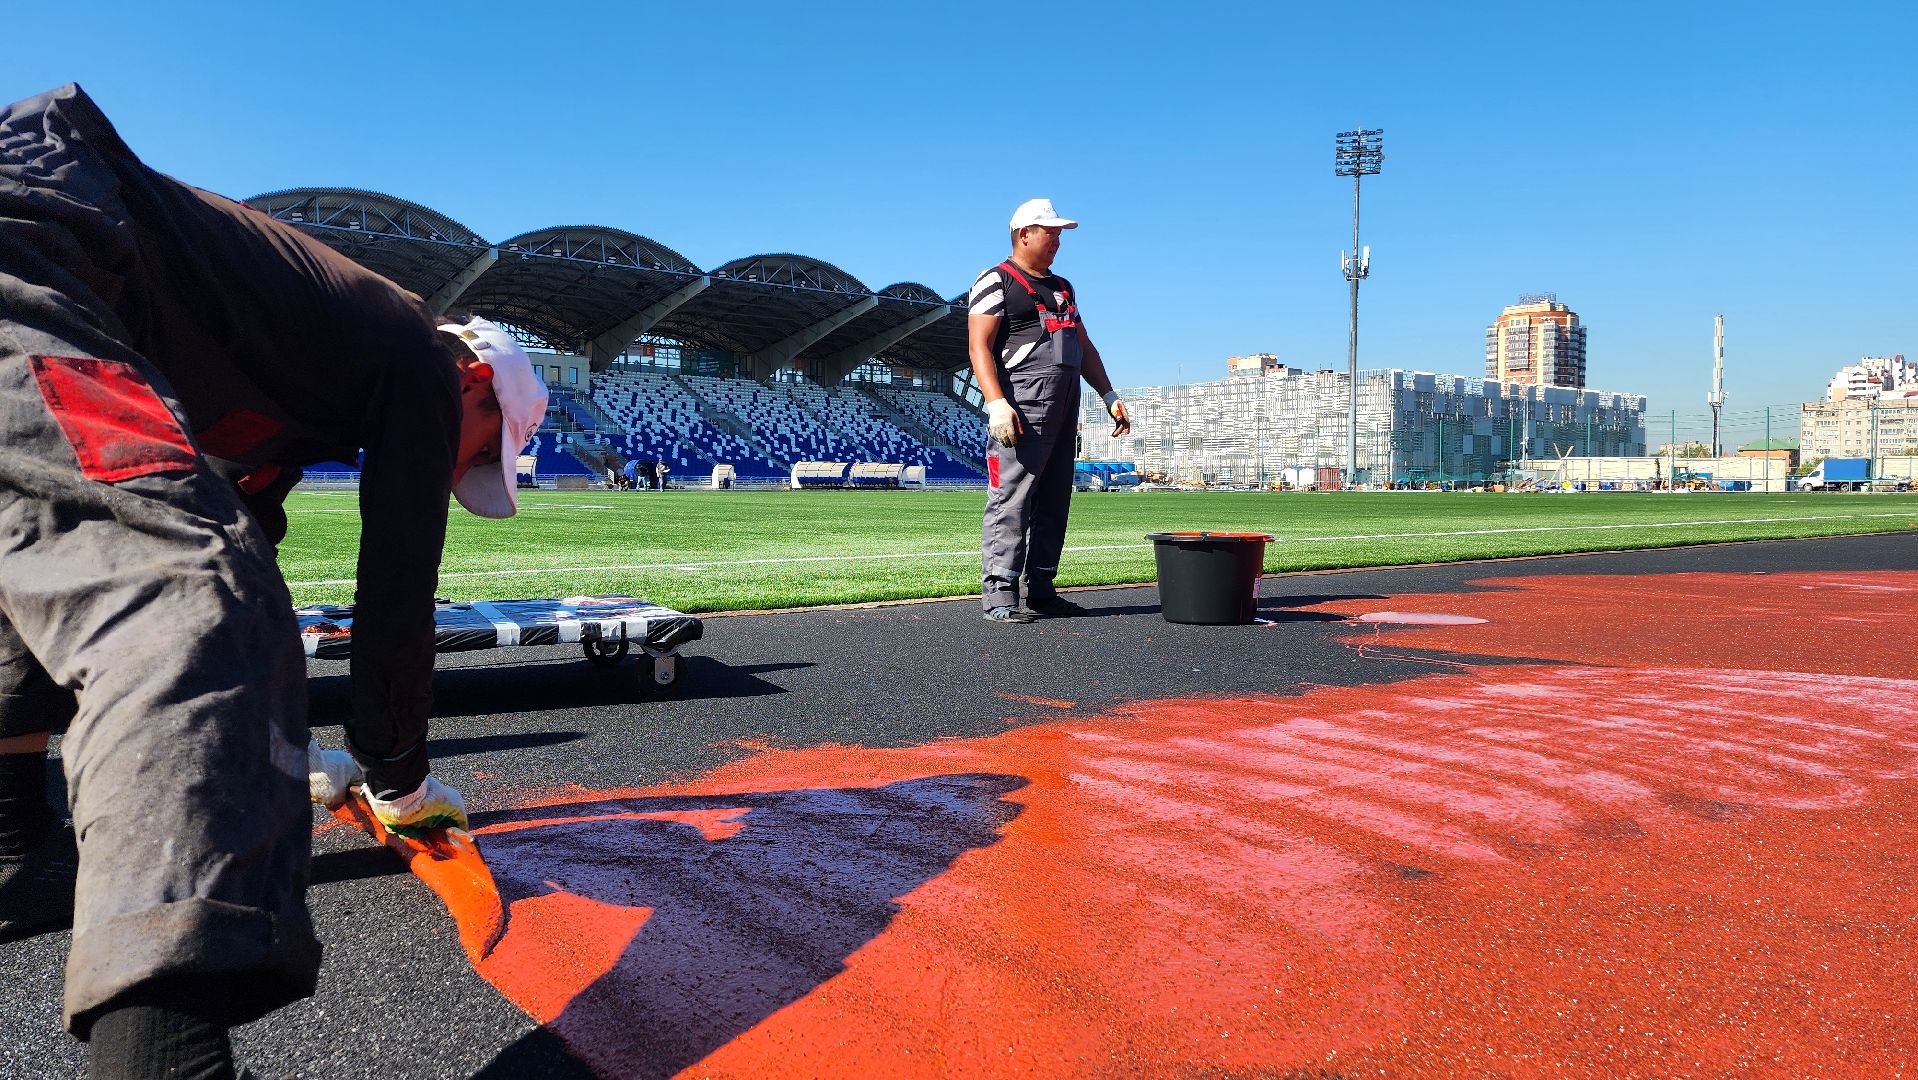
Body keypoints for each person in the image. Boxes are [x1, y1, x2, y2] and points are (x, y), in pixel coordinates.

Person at [0, 84, 546, 1077]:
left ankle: (14, 844)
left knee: (39, 577)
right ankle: (163, 1055)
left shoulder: (296, 350)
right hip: (46, 233)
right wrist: (398, 777)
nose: (458, 468)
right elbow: (396, 584)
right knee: (193, 603)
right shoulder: (418, 354)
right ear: (475, 385)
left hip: (60, 251)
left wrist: (275, 750)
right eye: (478, 450)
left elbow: (239, 503)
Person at [966, 198, 1129, 624]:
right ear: (1024, 234)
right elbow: (979, 346)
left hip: (1064, 405)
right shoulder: (996, 279)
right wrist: (996, 403)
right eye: (1050, 233)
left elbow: (1084, 346)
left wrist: (1109, 395)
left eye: (1059, 235)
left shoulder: (1064, 287)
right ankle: (1000, 596)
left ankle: (1041, 589)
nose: (1057, 241)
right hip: (1022, 405)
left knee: (1055, 500)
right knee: (1012, 500)